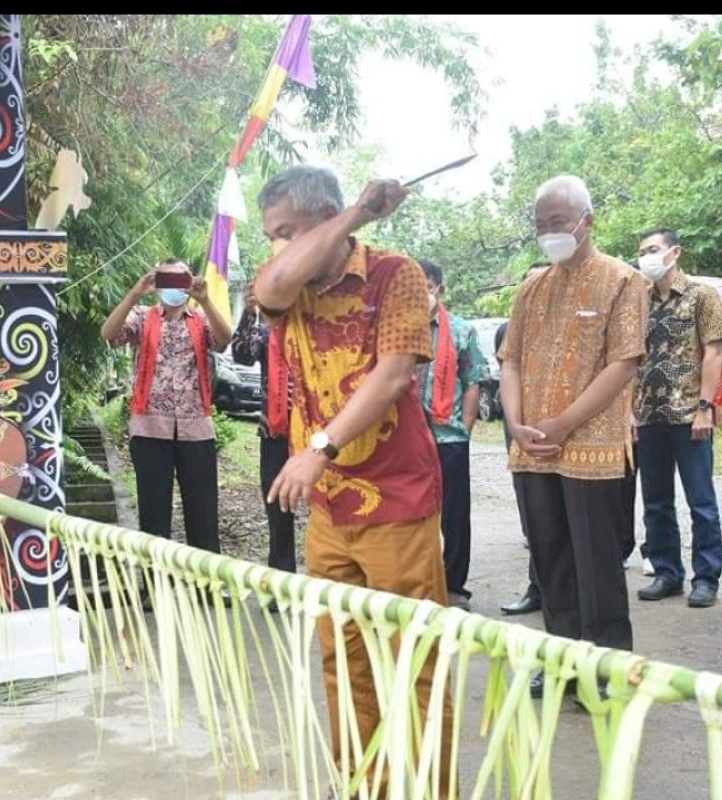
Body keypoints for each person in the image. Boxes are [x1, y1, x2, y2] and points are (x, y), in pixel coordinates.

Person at [253, 165, 451, 793]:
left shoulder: (398, 274)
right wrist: (357, 214)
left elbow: (393, 376)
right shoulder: (292, 288)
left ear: (325, 215)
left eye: (288, 230)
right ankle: (365, 787)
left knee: (411, 662)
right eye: (272, 235)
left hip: (396, 500)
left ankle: (425, 790)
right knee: (344, 662)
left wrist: (321, 447)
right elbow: (274, 282)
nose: (279, 246)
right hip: (331, 513)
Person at [499, 175, 646, 698]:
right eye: (541, 225)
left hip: (594, 447)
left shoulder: (623, 281)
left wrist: (562, 423)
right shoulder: (531, 287)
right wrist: (516, 423)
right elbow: (510, 359)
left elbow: (623, 363)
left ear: (588, 221)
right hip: (532, 448)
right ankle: (560, 659)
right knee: (550, 557)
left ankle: (608, 669)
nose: (549, 233)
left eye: (558, 222)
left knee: (597, 560)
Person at [101, 259, 232, 553]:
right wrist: (135, 294)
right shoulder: (142, 316)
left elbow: (224, 339)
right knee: (153, 516)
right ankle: (153, 589)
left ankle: (205, 588)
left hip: (196, 429)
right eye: (167, 280)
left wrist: (207, 301)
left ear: (189, 283)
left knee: (204, 516)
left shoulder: (200, 319)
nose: (174, 287)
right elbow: (109, 334)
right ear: (158, 284)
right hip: (149, 429)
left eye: (180, 280)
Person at [634, 228, 722, 609]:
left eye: (653, 249)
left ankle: (705, 578)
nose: (646, 257)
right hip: (649, 414)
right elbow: (630, 358)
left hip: (690, 414)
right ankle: (666, 572)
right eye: (641, 252)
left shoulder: (701, 294)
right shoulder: (639, 298)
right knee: (655, 502)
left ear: (675, 252)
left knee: (701, 501)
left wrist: (705, 408)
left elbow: (714, 352)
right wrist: (630, 411)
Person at [418, 259, 486, 611]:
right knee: (410, 512)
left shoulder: (461, 330)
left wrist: (466, 427)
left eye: (427, 287)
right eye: (415, 287)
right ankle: (417, 581)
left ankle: (455, 586)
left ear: (440, 290)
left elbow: (474, 379)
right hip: (407, 440)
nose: (421, 294)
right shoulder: (397, 327)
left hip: (449, 437)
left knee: (455, 514)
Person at [230, 282, 295, 573]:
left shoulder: (319, 329)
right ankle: (282, 577)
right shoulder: (268, 331)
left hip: (319, 435)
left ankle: (327, 580)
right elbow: (242, 354)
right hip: (275, 432)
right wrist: (250, 313)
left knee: (326, 509)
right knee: (277, 503)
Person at [498, 262, 550, 617]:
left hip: (567, 433)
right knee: (536, 518)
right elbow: (506, 371)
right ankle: (539, 587)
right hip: (521, 431)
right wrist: (515, 424)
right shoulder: (511, 329)